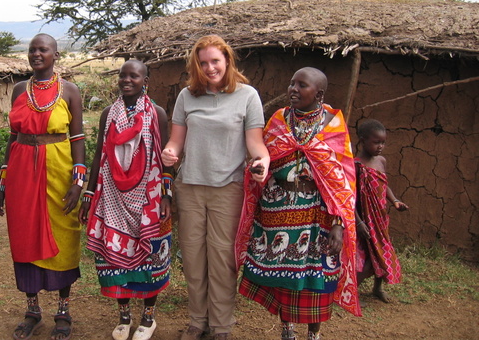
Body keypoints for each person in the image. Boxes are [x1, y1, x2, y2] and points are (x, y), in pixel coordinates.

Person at [237, 67, 361, 340]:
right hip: (278, 211)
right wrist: (259, 170)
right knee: (285, 279)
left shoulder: (333, 125)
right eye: (291, 83)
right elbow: (265, 156)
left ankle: (313, 334)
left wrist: (339, 223)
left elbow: (343, 181)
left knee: (317, 282)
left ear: (319, 94)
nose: (293, 89)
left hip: (318, 216)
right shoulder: (280, 120)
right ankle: (287, 330)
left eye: (301, 85)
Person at [161, 35, 269, 340]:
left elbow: (256, 145)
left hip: (228, 189)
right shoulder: (187, 97)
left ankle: (221, 326)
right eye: (203, 63)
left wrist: (262, 162)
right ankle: (198, 321)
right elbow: (175, 142)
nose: (210, 68)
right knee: (194, 259)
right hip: (191, 188)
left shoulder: (247, 96)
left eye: (215, 61)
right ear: (196, 65)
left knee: (222, 260)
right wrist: (170, 152)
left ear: (227, 61)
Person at [0, 34, 85, 340]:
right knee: (24, 236)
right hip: (22, 172)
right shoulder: (20, 90)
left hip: (58, 171)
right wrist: (3, 183)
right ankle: (32, 310)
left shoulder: (70, 91)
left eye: (42, 49)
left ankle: (63, 311)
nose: (36, 54)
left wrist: (78, 182)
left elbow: (78, 139)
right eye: (32, 49)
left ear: (55, 55)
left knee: (64, 236)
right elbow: (12, 136)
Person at [79, 59, 172, 340]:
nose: (126, 80)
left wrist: (167, 195)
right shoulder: (109, 113)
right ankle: (123, 316)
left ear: (145, 81)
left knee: (151, 257)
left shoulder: (157, 113)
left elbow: (166, 158)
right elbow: (100, 155)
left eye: (134, 76)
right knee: (114, 257)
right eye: (122, 76)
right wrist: (89, 191)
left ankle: (148, 317)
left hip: (148, 198)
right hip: (112, 196)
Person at [355, 119, 408, 303]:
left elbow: (384, 186)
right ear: (362, 140)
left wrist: (395, 201)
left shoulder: (381, 161)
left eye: (383, 142)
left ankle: (377, 288)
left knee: (382, 251)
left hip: (380, 217)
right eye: (376, 142)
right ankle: (351, 290)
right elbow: (349, 197)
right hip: (364, 219)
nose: (380, 146)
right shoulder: (356, 165)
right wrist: (358, 222)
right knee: (366, 257)